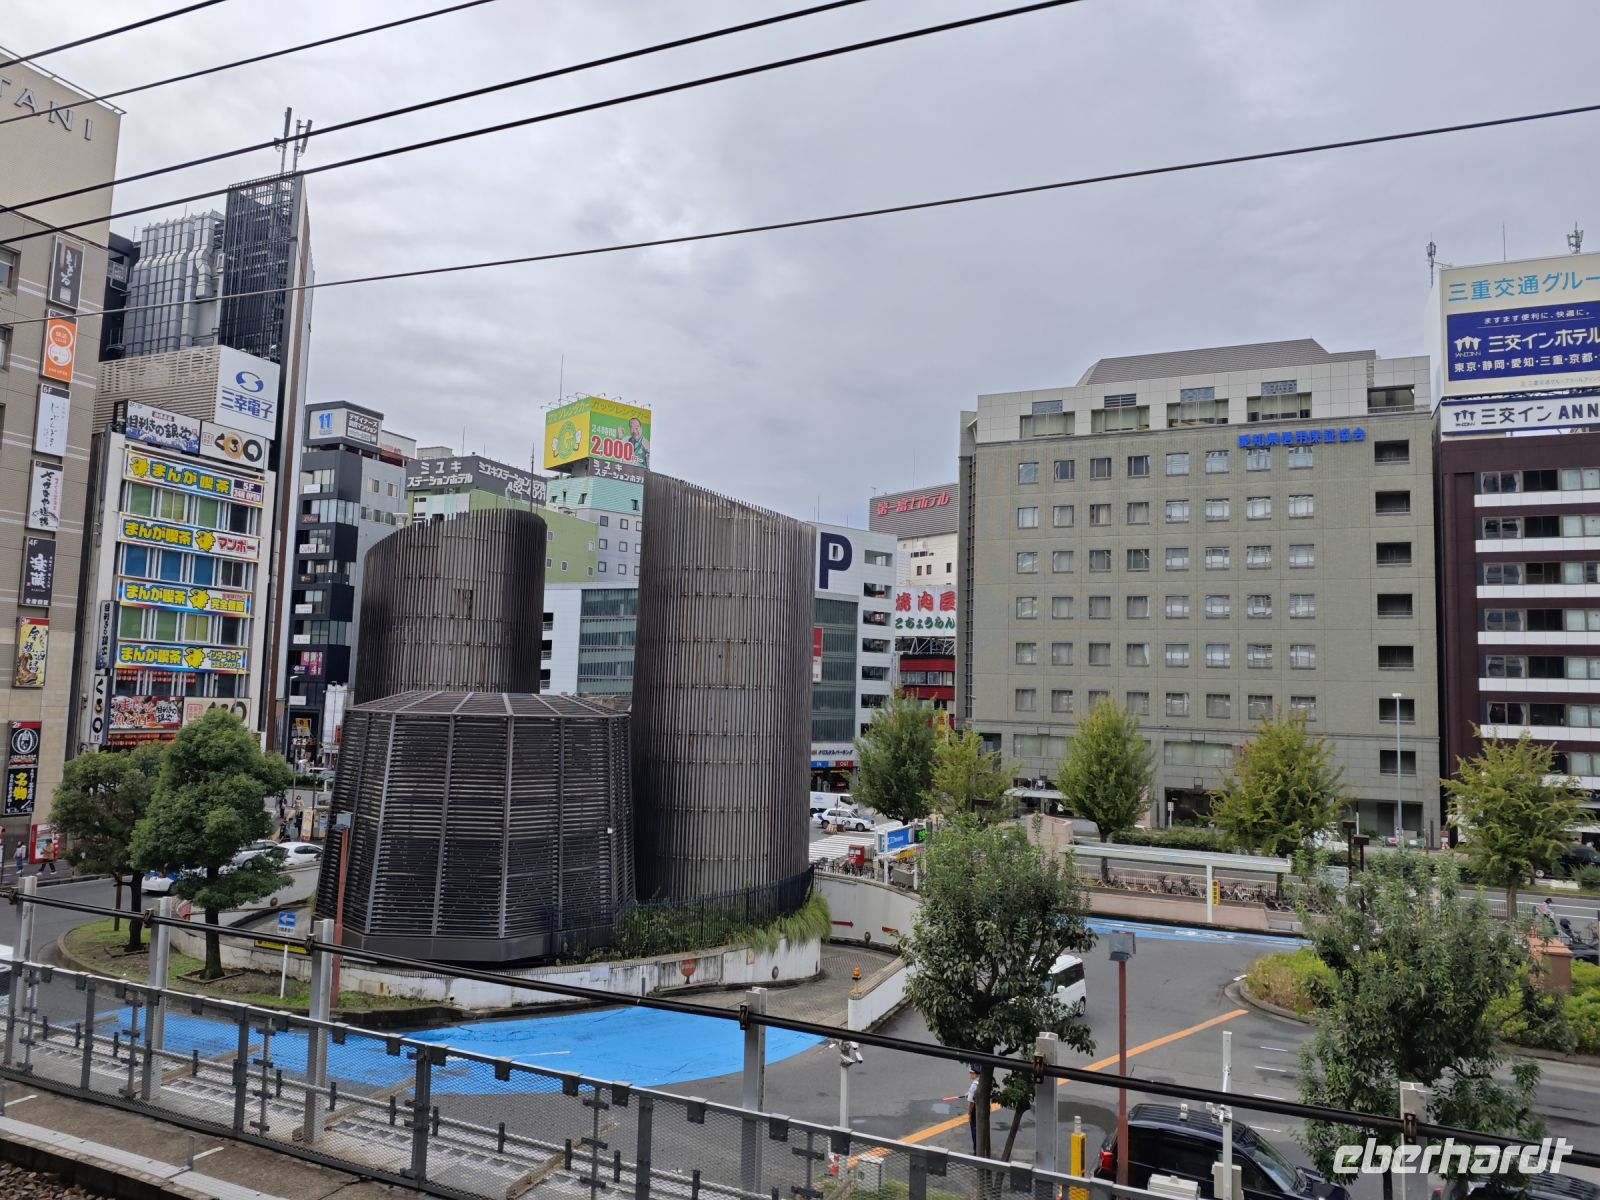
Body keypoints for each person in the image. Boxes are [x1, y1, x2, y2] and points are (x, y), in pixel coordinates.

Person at [965, 1066, 979, 1154]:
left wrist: (969, 1114)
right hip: (983, 1109)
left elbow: (971, 1103)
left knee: (974, 1131)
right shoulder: (982, 1081)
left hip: (975, 1111)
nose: (970, 1075)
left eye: (971, 1073)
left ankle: (976, 1150)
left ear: (975, 1074)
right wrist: (968, 1093)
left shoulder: (973, 1085)